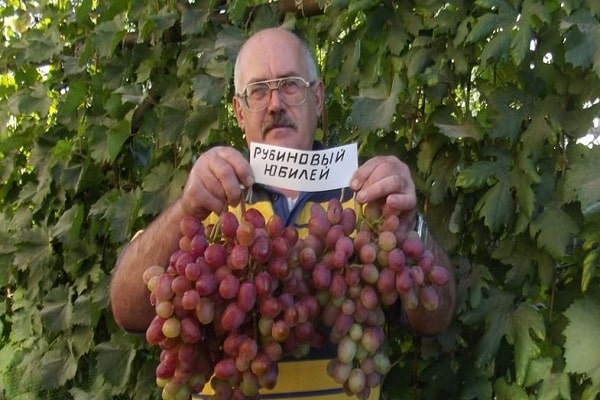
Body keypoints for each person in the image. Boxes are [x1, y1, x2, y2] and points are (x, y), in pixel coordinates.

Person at [110, 27, 456, 399]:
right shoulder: (211, 200)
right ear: (240, 114)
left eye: (290, 85)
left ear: (318, 98)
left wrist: (409, 226)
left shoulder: (365, 201)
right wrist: (184, 209)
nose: (275, 104)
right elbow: (127, 311)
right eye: (258, 91)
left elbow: (436, 316)